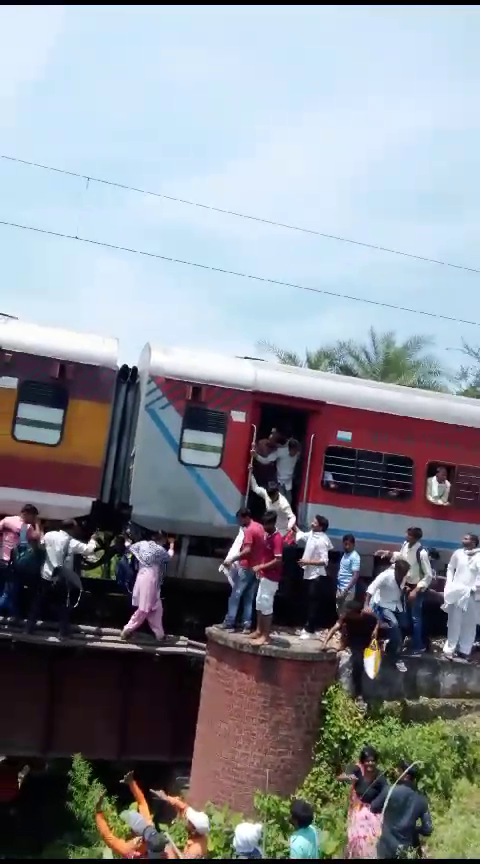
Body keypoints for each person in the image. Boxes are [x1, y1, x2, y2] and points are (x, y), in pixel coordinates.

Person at [26, 519, 97, 636]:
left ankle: (28, 628)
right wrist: (93, 539)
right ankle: (63, 633)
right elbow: (89, 550)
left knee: (38, 603)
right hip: (62, 580)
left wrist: (41, 527)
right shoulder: (72, 542)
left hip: (46, 576)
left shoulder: (50, 535)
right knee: (63, 606)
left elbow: (41, 543)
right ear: (71, 529)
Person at [376, 527, 433, 655]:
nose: (405, 535)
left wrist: (416, 590)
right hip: (406, 586)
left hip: (416, 588)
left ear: (414, 537)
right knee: (405, 616)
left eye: (408, 534)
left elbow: (428, 575)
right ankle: (407, 641)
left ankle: (418, 645)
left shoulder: (422, 553)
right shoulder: (406, 545)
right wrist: (388, 553)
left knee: (415, 617)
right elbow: (401, 557)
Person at [95, 773, 170, 859]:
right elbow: (142, 803)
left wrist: (98, 812)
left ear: (131, 831)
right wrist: (132, 783)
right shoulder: (148, 827)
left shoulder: (127, 848)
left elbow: (107, 836)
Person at [371, 760, 433, 859]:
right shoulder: (421, 800)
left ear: (405, 775)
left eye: (398, 771)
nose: (396, 772)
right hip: (406, 850)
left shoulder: (389, 791)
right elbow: (428, 829)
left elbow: (373, 807)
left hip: (386, 849)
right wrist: (414, 829)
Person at [323, 600, 380, 707]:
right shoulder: (346, 617)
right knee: (357, 662)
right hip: (354, 640)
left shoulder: (368, 617)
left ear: (357, 613)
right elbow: (335, 628)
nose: (346, 614)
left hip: (367, 638)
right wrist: (325, 643)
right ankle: (358, 693)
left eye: (349, 613)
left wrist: (376, 630)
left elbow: (378, 619)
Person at [121, 533, 174, 641]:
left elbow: (129, 546)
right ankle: (128, 629)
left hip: (142, 576)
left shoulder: (142, 544)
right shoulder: (158, 549)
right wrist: (172, 544)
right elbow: (169, 556)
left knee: (157, 608)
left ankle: (160, 635)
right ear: (162, 540)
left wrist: (126, 538)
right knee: (145, 609)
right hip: (150, 578)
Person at [220, 508, 264, 634]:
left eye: (239, 519)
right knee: (249, 598)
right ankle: (246, 625)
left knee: (235, 595)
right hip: (257, 567)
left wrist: (232, 559)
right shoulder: (260, 527)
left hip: (246, 567)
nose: (238, 522)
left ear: (244, 517)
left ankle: (230, 623)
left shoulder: (249, 530)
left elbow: (247, 550)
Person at [338, 746, 386, 858]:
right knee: (356, 840)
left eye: (372, 761)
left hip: (373, 813)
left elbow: (386, 791)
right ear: (363, 761)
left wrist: (375, 804)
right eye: (367, 761)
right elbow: (341, 777)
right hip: (357, 811)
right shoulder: (358, 770)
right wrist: (348, 777)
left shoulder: (379, 776)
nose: (370, 763)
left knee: (371, 840)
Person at [365, 559, 411, 673]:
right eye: (401, 573)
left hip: (397, 605)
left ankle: (389, 644)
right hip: (384, 604)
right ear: (396, 570)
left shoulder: (404, 576)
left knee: (405, 625)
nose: (403, 576)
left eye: (405, 573)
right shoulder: (385, 576)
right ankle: (396, 658)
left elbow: (399, 590)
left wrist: (405, 590)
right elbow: (371, 588)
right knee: (394, 625)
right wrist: (366, 605)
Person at [442, 533, 480, 660]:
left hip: (472, 595)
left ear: (474, 542)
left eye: (466, 538)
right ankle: (450, 649)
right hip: (457, 592)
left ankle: (464, 650)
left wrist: (475, 588)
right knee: (453, 621)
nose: (462, 540)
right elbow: (450, 568)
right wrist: (449, 584)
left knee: (469, 623)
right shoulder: (458, 553)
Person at [295, 515, 333, 640]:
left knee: (313, 603)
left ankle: (310, 630)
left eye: (314, 522)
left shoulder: (322, 540)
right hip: (309, 574)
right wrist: (291, 523)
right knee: (307, 601)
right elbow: (301, 535)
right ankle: (306, 628)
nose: (312, 523)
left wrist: (307, 562)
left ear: (320, 527)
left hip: (317, 575)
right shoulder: (312, 534)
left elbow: (324, 561)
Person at [250, 510, 284, 646]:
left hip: (272, 577)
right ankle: (259, 630)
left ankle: (266, 636)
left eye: (267, 524)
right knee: (259, 602)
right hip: (264, 575)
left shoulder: (277, 538)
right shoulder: (267, 536)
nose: (264, 527)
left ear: (273, 523)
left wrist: (261, 567)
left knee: (266, 604)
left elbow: (278, 560)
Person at [0, 504, 41, 616]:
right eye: (33, 517)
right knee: (11, 591)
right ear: (26, 514)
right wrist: (38, 524)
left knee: (3, 588)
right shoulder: (26, 527)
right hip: (13, 563)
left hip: (2, 559)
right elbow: (37, 538)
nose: (33, 519)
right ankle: (13, 615)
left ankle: (10, 615)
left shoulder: (7, 520)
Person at [150, 789, 209, 859]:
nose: (186, 820)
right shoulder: (200, 834)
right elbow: (185, 808)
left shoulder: (195, 850)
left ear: (194, 829)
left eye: (189, 821)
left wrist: (171, 854)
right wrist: (166, 798)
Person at [253, 438, 301, 503]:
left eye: (296, 451)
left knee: (289, 501)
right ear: (289, 449)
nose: (294, 453)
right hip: (278, 481)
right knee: (280, 501)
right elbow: (266, 461)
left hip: (288, 483)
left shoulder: (297, 455)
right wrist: (256, 456)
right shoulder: (280, 452)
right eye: (293, 451)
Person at [336, 534, 361, 614]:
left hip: (347, 590)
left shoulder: (355, 556)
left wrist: (346, 590)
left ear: (353, 544)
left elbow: (355, 575)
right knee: (339, 611)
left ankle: (342, 626)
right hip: (340, 588)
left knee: (345, 612)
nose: (346, 546)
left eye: (348, 544)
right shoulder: (345, 554)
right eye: (345, 544)